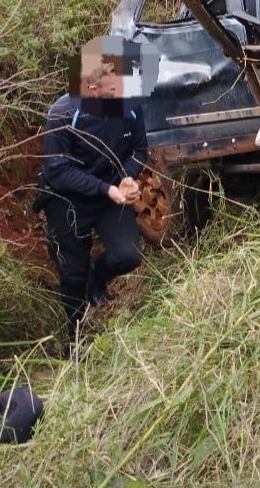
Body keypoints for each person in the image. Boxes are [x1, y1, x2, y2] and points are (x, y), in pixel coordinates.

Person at [40, 36, 157, 342]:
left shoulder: (130, 108)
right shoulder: (63, 115)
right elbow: (58, 170)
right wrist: (106, 189)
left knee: (128, 255)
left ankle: (98, 275)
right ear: (92, 89)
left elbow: (139, 147)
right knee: (72, 276)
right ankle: (75, 338)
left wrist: (128, 178)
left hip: (110, 195)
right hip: (67, 201)